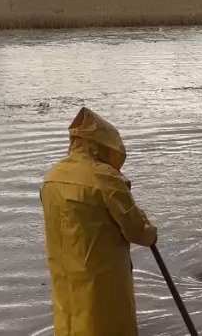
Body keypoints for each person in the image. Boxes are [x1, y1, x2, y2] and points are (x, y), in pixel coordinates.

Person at [40, 107, 158, 336]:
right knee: (105, 322)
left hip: (65, 271)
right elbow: (136, 230)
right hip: (100, 274)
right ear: (105, 144)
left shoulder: (52, 176)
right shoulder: (105, 177)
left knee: (70, 319)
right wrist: (151, 232)